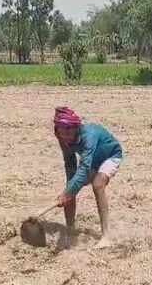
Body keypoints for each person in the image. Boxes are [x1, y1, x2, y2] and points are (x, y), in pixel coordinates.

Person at [52, 106, 123, 249]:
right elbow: (70, 163)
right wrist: (69, 190)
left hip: (110, 156)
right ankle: (70, 230)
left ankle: (106, 236)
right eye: (62, 133)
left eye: (68, 132)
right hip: (92, 161)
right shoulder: (62, 138)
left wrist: (67, 192)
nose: (66, 136)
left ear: (76, 128)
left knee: (98, 185)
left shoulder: (88, 136)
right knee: (71, 188)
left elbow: (84, 166)